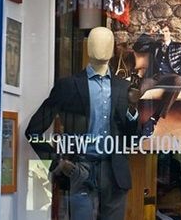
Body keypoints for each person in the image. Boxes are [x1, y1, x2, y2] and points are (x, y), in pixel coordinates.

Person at [25, 27, 140, 220]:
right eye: (96, 41)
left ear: (112, 49)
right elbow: (33, 131)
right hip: (80, 167)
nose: (101, 46)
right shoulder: (68, 86)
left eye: (106, 42)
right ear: (88, 47)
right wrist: (57, 163)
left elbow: (133, 138)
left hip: (114, 172)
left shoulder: (124, 87)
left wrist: (132, 110)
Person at [139, 21, 181, 136]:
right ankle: (133, 118)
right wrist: (149, 33)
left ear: (170, 32)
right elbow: (138, 46)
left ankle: (154, 118)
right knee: (139, 88)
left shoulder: (178, 46)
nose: (164, 34)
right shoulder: (155, 45)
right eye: (161, 32)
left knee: (179, 80)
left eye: (166, 31)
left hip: (172, 76)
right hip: (156, 77)